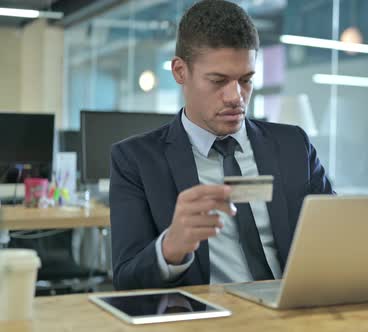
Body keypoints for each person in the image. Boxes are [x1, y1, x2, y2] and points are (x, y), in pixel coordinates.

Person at [109, 0, 333, 290]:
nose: (235, 97)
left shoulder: (294, 146)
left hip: (292, 313)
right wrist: (170, 248)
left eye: (246, 80)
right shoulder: (135, 160)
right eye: (218, 80)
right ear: (180, 71)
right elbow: (126, 281)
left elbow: (336, 236)